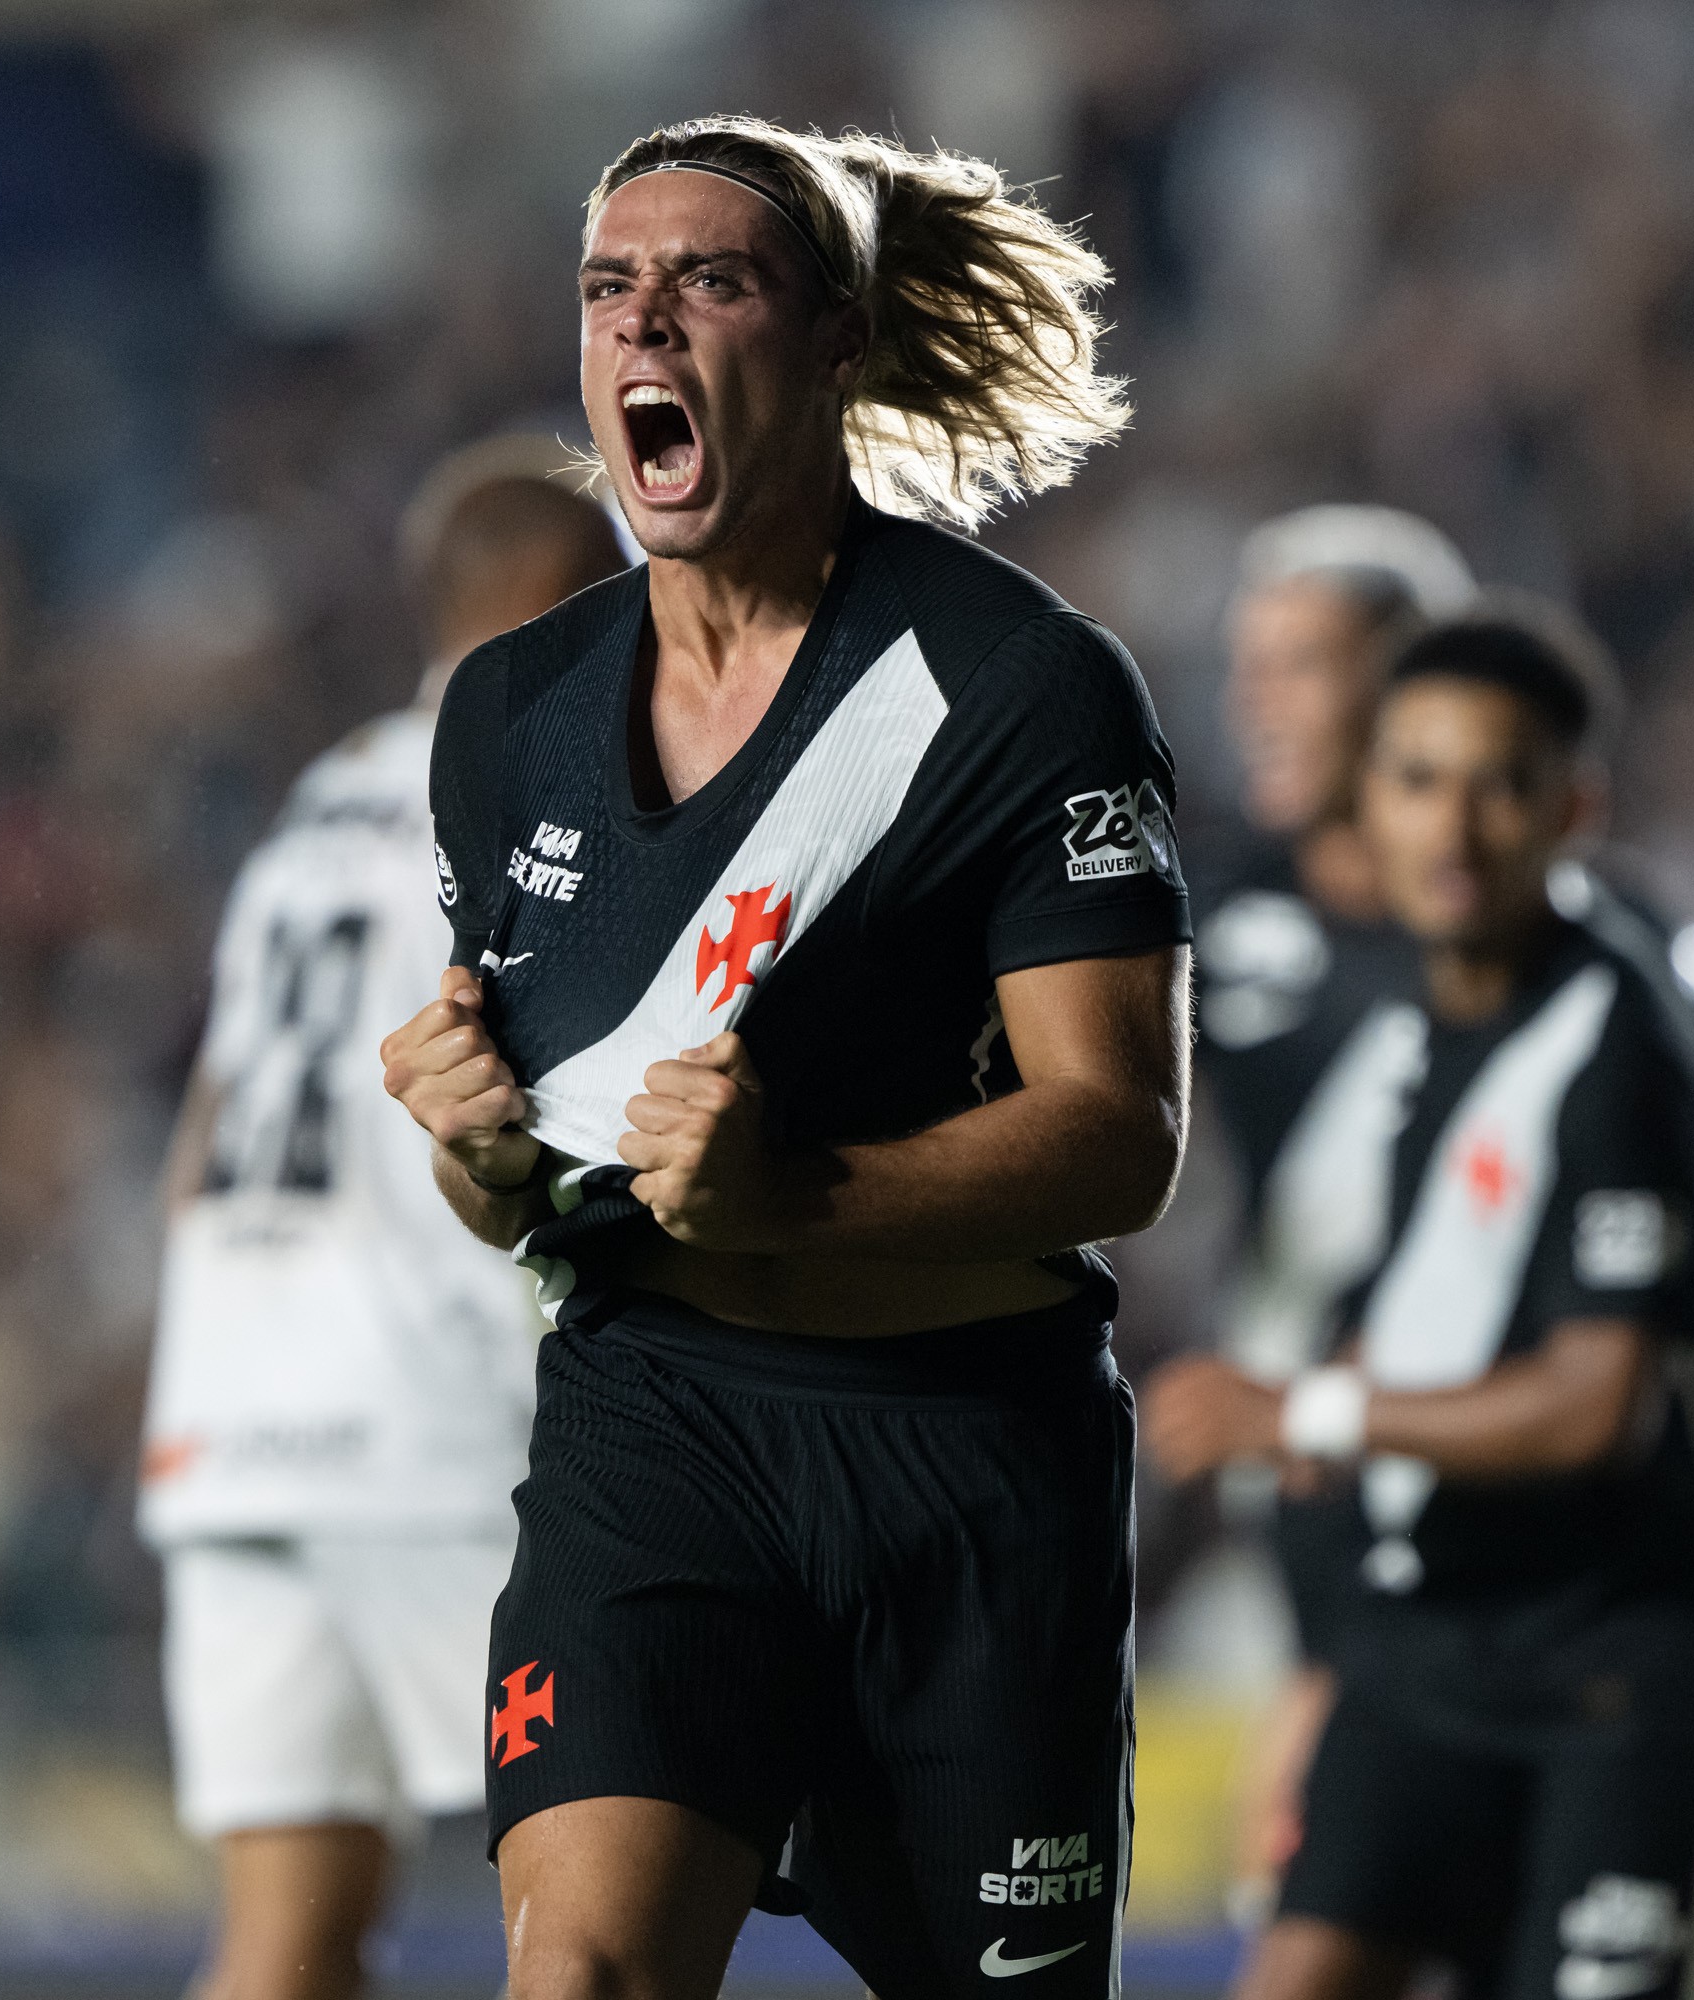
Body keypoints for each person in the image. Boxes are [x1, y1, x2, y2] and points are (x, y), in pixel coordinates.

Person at [376, 115, 1188, 2000]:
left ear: (834, 346)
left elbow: (1118, 1135)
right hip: (657, 1430)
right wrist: (475, 1148)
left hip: (967, 1464)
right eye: (607, 288)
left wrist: (803, 1194)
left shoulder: (1020, 686)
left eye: (707, 282)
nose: (642, 318)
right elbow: (522, 1174)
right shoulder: (508, 713)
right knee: (577, 1976)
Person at [1144, 609, 1694, 2000]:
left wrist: (1308, 1406)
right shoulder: (1431, 1019)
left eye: (1501, 784)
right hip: (1434, 1640)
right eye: (1419, 778)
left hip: (1631, 1664)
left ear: (1577, 807)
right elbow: (1460, 1300)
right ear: (1367, 800)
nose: (1456, 825)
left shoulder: (1619, 1044)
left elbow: (1594, 1403)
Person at [139, 438, 628, 2000]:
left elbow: (202, 1136)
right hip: (428, 1420)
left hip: (228, 1412)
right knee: (594, 1916)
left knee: (284, 1940)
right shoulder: (536, 785)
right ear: (576, 602)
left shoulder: (316, 801)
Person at [1191, 506, 1476, 1916]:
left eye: (1298, 662)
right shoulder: (1205, 909)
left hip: (1506, 1483)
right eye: (1251, 663)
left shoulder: (1559, 934)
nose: (1256, 698)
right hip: (1304, 1489)